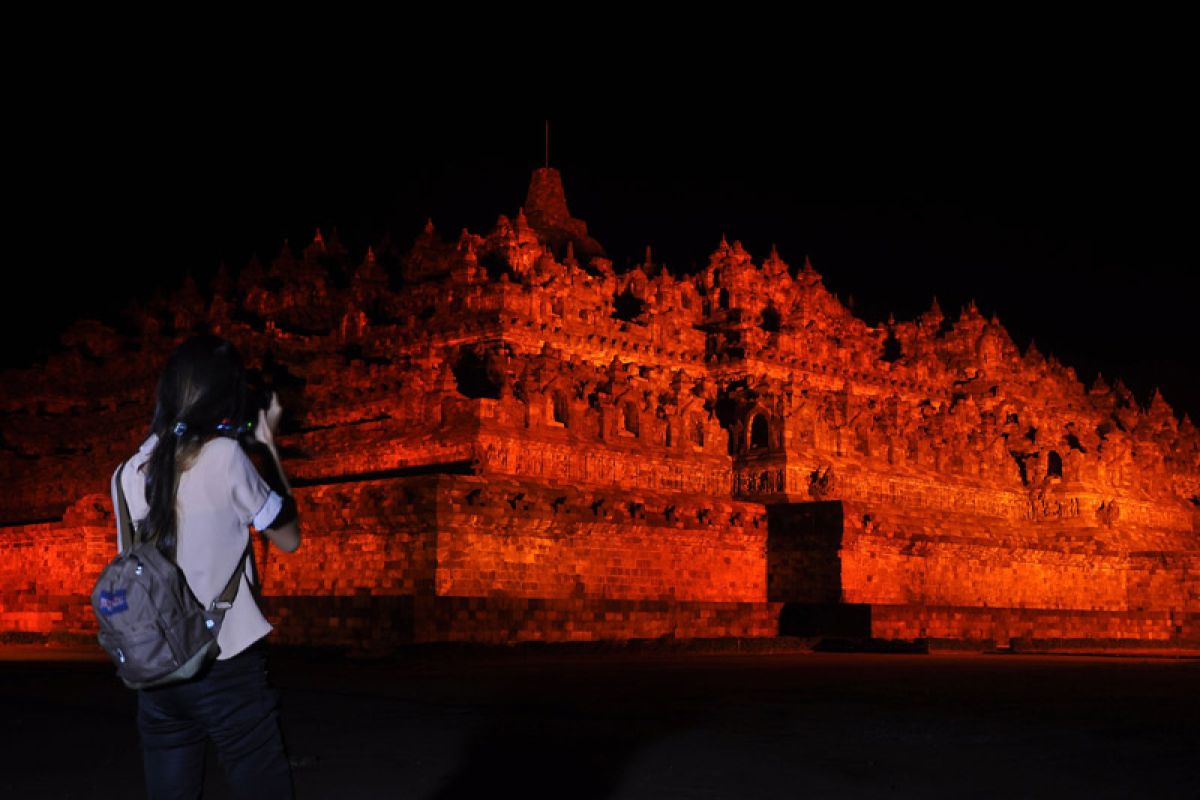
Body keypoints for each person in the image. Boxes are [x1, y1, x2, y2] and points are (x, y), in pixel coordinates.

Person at [112, 334, 301, 799]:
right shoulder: (223, 457)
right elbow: (288, 537)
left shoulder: (127, 473)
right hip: (225, 664)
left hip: (157, 673)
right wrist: (269, 446)